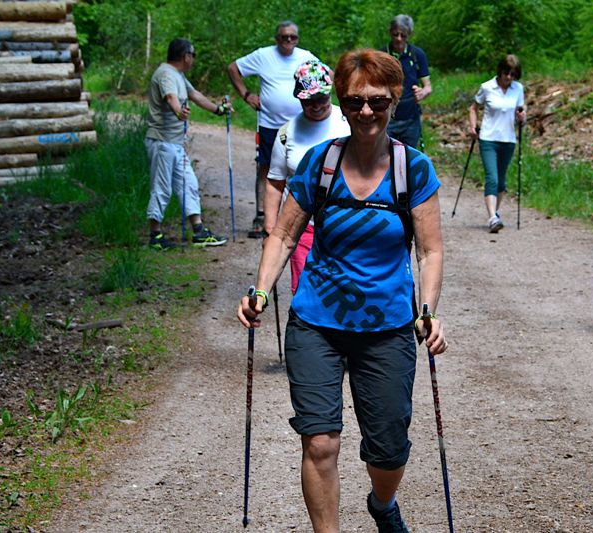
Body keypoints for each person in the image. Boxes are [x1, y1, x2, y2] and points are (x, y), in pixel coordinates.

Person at [237, 49, 447, 533]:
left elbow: (430, 251)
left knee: (388, 450)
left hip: (388, 325)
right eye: (354, 103)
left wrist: (428, 311)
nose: (366, 112)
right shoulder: (319, 164)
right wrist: (261, 291)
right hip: (316, 322)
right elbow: (285, 236)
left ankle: (382, 504)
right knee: (320, 442)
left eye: (377, 101)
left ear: (394, 102)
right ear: (342, 104)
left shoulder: (412, 170)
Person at [265, 60, 350, 293]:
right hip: (301, 225)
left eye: (321, 98)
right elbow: (275, 182)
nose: (315, 106)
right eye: (308, 100)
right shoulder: (286, 133)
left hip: (345, 223)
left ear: (329, 92)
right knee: (306, 291)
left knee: (342, 290)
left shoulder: (349, 122)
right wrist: (270, 227)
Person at [227, 21, 318, 238]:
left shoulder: (306, 57)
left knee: (302, 166)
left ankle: (303, 215)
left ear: (297, 39)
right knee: (266, 168)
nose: (288, 41)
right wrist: (246, 95)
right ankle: (261, 216)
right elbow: (233, 68)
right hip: (269, 123)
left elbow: (328, 75)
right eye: (284, 37)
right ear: (277, 39)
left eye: (292, 37)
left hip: (300, 123)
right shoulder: (263, 55)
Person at [145, 38, 229, 249]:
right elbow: (171, 97)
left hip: (175, 144)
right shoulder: (165, 74)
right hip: (162, 142)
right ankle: (155, 235)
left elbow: (195, 95)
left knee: (189, 184)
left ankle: (199, 231)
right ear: (185, 56)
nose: (193, 59)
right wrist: (178, 111)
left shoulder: (178, 75)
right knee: (161, 188)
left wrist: (218, 110)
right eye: (192, 55)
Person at [469, 54, 526, 233]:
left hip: (508, 139)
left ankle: (496, 212)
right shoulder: (487, 87)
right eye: (506, 72)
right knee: (492, 178)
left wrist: (522, 118)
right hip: (488, 137)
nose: (508, 77)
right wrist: (473, 126)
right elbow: (473, 107)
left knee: (501, 181)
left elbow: (521, 113)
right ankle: (492, 217)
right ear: (500, 71)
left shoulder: (518, 89)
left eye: (513, 74)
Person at [384, 14, 431, 149]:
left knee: (408, 159)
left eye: (403, 35)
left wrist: (422, 93)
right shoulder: (382, 54)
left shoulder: (417, 54)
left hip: (411, 117)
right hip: (387, 118)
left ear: (409, 34)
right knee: (385, 158)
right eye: (395, 34)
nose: (398, 39)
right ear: (390, 33)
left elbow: (428, 87)